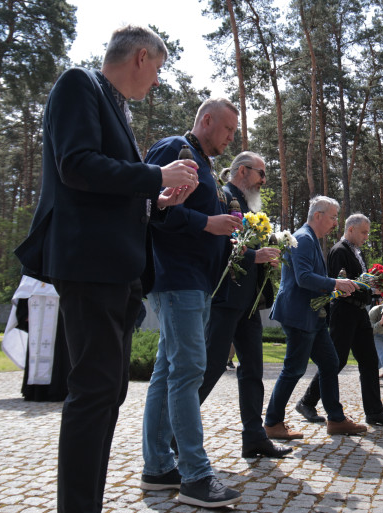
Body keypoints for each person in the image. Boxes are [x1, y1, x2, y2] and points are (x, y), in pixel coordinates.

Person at [13, 25, 198, 513]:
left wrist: (154, 198)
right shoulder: (79, 83)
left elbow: (109, 182)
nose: (157, 80)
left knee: (109, 389)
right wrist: (154, 174)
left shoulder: (117, 106)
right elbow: (76, 165)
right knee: (94, 388)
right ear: (140, 57)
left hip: (118, 266)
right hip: (90, 262)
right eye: (158, 69)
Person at [140, 98, 243, 508]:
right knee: (187, 372)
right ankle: (195, 477)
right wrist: (208, 223)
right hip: (178, 278)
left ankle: (157, 468)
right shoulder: (173, 150)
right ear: (205, 120)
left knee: (168, 372)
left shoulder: (204, 163)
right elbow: (154, 212)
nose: (231, 139)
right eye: (228, 130)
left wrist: (227, 233)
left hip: (195, 281)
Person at [197, 151, 290, 459]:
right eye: (261, 174)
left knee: (252, 370)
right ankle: (174, 437)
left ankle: (254, 437)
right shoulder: (223, 198)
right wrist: (254, 256)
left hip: (249, 302)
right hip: (225, 299)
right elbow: (218, 245)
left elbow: (247, 246)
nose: (265, 180)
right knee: (209, 369)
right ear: (242, 171)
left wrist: (267, 258)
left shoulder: (250, 205)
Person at [264, 196, 368, 440]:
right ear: (318, 215)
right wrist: (336, 283)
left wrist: (335, 286)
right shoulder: (303, 238)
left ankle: (336, 419)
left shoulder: (309, 239)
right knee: (293, 369)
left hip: (312, 316)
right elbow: (303, 278)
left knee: (330, 363)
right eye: (333, 217)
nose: (335, 223)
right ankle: (272, 423)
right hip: (300, 315)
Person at [295, 214, 383, 428]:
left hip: (359, 312)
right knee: (336, 360)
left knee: (370, 361)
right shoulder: (339, 251)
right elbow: (340, 285)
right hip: (343, 312)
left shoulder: (357, 252)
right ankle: (306, 402)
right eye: (363, 232)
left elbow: (360, 285)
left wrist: (375, 291)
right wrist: (366, 289)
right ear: (351, 229)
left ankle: (374, 412)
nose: (366, 236)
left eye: (368, 232)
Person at [2, 276, 70, 402]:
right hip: (36, 322)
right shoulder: (32, 274)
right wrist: (24, 315)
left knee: (59, 352)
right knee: (36, 351)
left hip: (58, 324)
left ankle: (57, 390)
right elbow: (23, 296)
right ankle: (34, 390)